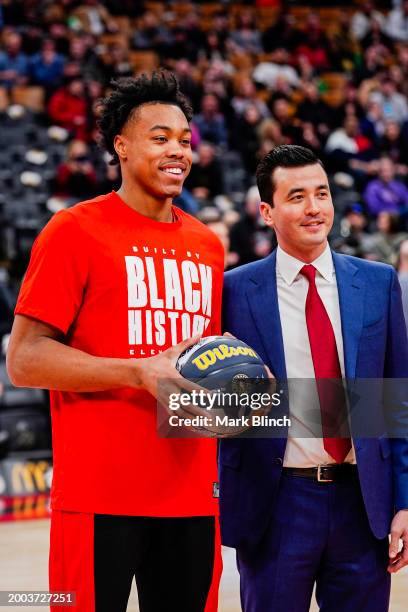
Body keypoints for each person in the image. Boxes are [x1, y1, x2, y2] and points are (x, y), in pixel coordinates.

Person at [6, 71, 224, 612]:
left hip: (194, 496)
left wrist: (246, 392)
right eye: (159, 138)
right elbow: (25, 359)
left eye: (184, 140)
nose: (177, 151)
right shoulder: (73, 230)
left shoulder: (207, 244)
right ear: (120, 147)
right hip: (98, 496)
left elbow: (201, 367)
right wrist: (135, 371)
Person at [219, 145, 408, 612]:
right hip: (277, 500)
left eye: (321, 194)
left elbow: (396, 399)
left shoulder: (379, 280)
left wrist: (404, 500)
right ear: (267, 211)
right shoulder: (234, 289)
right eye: (297, 196)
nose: (314, 208)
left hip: (363, 501)